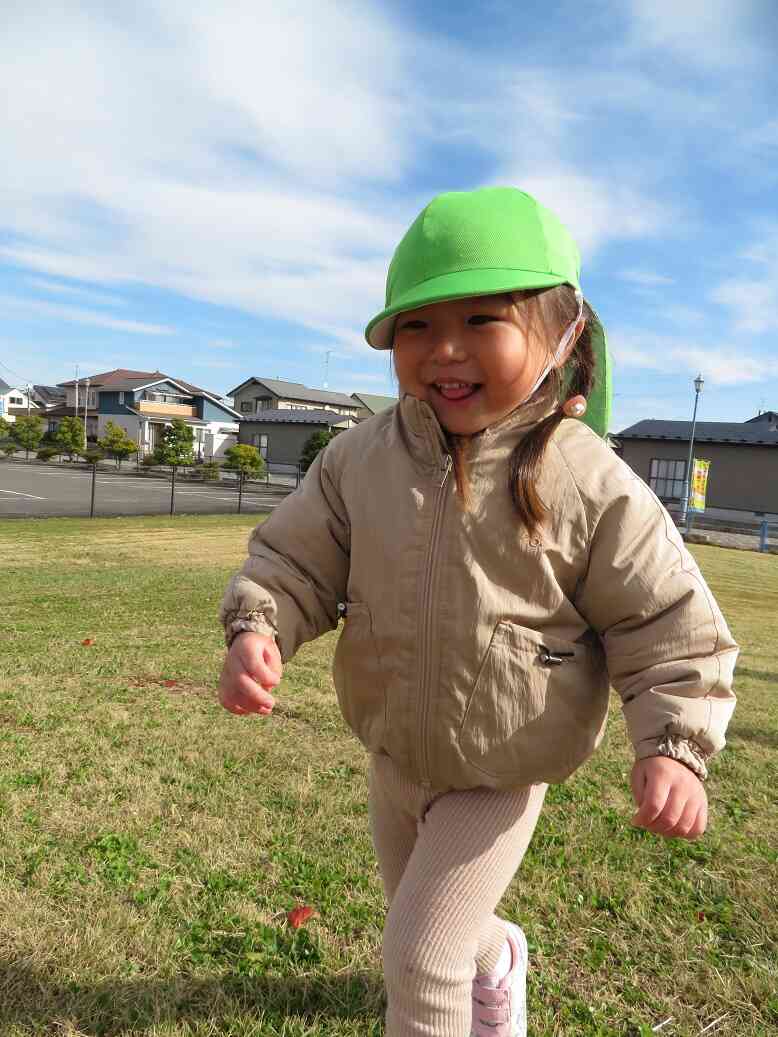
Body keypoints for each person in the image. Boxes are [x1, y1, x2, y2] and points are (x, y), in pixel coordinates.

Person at [218, 187, 738, 1037]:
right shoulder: (361, 459)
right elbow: (295, 556)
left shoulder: (586, 478)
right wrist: (258, 624)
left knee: (419, 960)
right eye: (417, 326)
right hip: (395, 757)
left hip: (499, 771)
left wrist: (675, 743)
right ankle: (497, 960)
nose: (444, 349)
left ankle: (465, 978)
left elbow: (665, 617)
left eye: (482, 320)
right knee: (434, 933)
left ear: (563, 331)